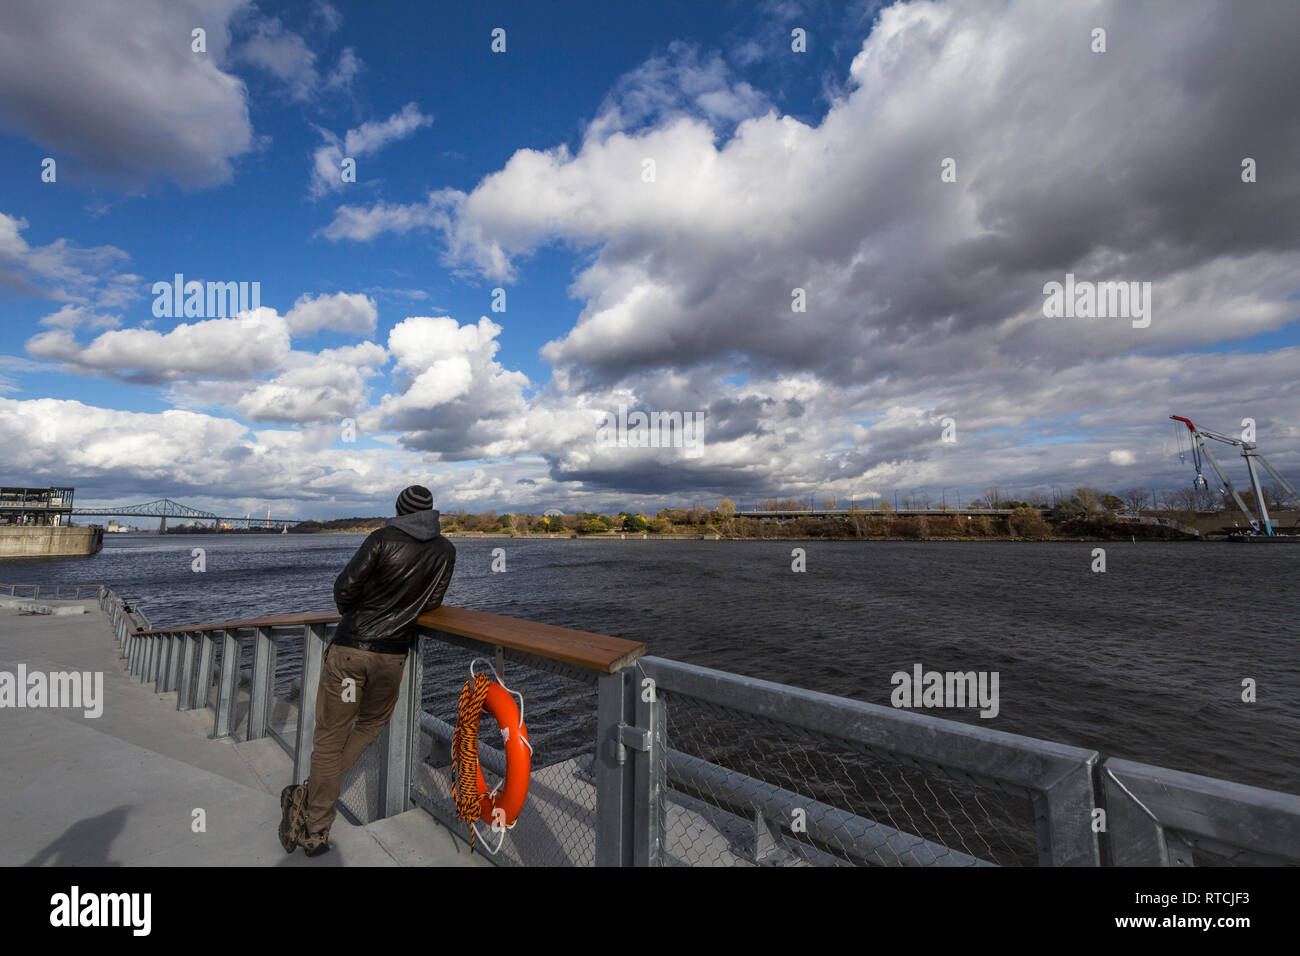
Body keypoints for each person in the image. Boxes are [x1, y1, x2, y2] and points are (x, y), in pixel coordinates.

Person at [279, 485, 456, 856]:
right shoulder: (445, 550)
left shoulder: (381, 538)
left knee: (329, 739)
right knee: (372, 724)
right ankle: (310, 800)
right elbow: (434, 601)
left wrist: (362, 611)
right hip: (392, 657)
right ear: (431, 512)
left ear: (398, 509)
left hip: (350, 655)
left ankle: (315, 826)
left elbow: (344, 590)